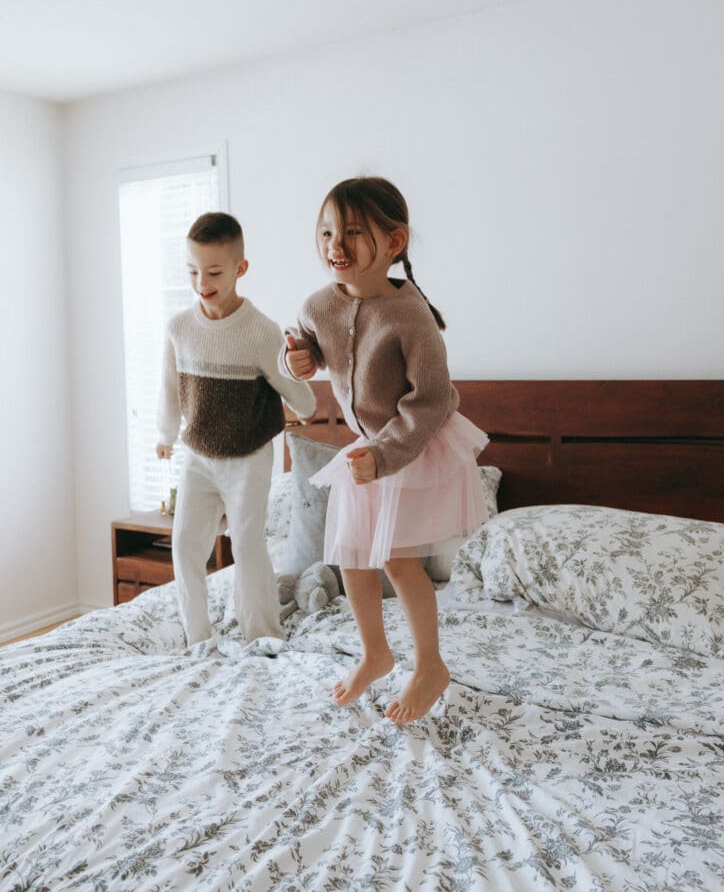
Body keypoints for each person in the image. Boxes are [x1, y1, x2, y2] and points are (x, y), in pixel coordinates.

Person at [281, 177, 488, 723]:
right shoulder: (319, 303)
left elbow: (434, 399)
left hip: (413, 443)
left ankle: (430, 666)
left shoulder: (409, 314)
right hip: (367, 446)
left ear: (394, 243)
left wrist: (387, 454)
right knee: (350, 552)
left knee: (397, 560)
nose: (336, 244)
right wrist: (298, 359)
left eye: (353, 231)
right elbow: (305, 341)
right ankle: (375, 652)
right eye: (327, 232)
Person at [156, 211, 316, 646]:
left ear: (240, 269)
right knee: (186, 547)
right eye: (192, 270)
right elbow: (170, 388)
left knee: (246, 544)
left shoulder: (260, 332)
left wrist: (303, 402)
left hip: (248, 455)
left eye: (213, 272)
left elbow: (297, 391)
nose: (201, 281)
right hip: (199, 455)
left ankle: (261, 634)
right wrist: (165, 435)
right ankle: (198, 639)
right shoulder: (179, 328)